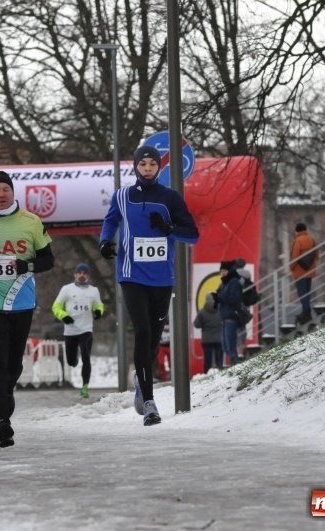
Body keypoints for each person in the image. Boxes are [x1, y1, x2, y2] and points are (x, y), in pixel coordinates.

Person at [99, 145, 199, 426]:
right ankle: (150, 402)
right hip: (130, 273)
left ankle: (140, 378)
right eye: (142, 164)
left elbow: (193, 235)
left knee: (153, 339)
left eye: (152, 164)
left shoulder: (170, 198)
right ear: (135, 166)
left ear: (159, 167)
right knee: (142, 331)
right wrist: (105, 242)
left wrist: (170, 229)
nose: (147, 168)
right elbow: (110, 222)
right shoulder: (122, 196)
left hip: (162, 277)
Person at [0, 170, 55, 448]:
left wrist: (25, 266)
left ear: (13, 192)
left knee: (14, 364)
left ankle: (4, 400)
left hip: (21, 303)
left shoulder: (30, 221)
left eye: (5, 189)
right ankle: (2, 420)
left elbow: (48, 260)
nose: (1, 194)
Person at [51, 263, 104, 398]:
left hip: (86, 329)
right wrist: (64, 317)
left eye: (84, 273)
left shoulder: (94, 291)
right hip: (70, 330)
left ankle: (85, 386)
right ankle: (73, 360)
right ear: (75, 274)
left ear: (88, 275)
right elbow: (56, 307)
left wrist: (98, 311)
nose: (81, 275)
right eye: (79, 272)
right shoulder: (66, 289)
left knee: (86, 355)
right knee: (70, 360)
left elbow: (99, 304)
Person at [212, 261, 243, 367]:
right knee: (226, 346)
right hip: (225, 318)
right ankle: (234, 365)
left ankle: (235, 365)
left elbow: (234, 298)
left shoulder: (233, 282)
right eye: (221, 271)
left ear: (229, 271)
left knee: (230, 346)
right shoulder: (225, 283)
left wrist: (219, 297)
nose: (222, 273)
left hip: (231, 317)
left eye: (224, 270)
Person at [290, 223, 318, 325]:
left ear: (297, 231)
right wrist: (312, 265)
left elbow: (295, 256)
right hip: (310, 271)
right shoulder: (312, 239)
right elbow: (316, 254)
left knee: (301, 293)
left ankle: (306, 312)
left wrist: (291, 267)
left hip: (299, 271)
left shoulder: (297, 240)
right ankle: (305, 311)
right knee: (307, 292)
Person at [194, 293, 222, 372]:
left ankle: (207, 373)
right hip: (218, 338)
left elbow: (196, 324)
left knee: (207, 359)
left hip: (207, 339)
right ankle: (220, 372)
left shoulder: (201, 312)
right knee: (219, 359)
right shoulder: (220, 310)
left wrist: (204, 324)